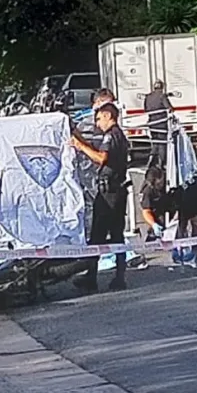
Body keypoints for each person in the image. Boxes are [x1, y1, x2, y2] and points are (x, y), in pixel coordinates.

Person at [71, 103, 129, 291]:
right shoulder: (120, 135)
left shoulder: (110, 135)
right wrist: (79, 139)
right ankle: (118, 277)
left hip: (109, 193)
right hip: (117, 190)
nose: (97, 123)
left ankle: (92, 278)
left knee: (98, 235)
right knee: (117, 235)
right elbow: (97, 152)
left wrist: (81, 147)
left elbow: (101, 158)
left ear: (107, 116)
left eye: (98, 119)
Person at [73, 89, 117, 240]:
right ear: (97, 103)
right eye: (108, 104)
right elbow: (86, 148)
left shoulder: (110, 124)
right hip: (90, 171)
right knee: (92, 206)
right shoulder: (88, 123)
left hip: (104, 174)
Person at [138, 165, 175, 240]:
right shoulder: (147, 191)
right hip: (157, 211)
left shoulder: (169, 178)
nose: (161, 185)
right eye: (158, 184)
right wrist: (153, 224)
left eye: (161, 182)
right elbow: (146, 211)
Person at [144, 80, 169, 167]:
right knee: (162, 143)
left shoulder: (148, 97)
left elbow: (146, 109)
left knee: (155, 143)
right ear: (162, 87)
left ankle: (150, 160)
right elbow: (168, 107)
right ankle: (161, 164)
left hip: (152, 122)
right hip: (161, 122)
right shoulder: (162, 96)